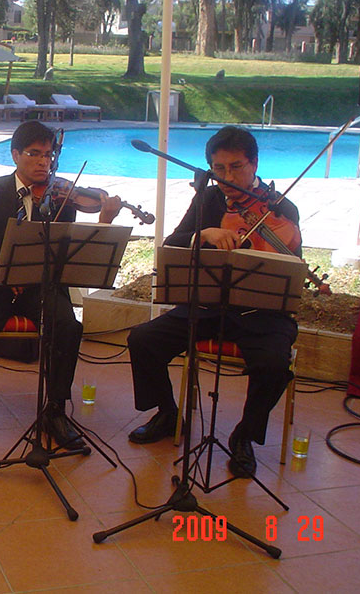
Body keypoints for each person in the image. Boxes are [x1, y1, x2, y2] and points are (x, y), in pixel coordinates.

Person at [127, 126, 301, 478]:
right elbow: (174, 243)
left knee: (273, 364)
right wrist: (202, 234)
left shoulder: (281, 208)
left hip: (262, 313)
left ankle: (244, 436)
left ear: (254, 164)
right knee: (142, 339)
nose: (227, 177)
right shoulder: (208, 199)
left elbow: (289, 268)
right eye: (218, 169)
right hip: (207, 305)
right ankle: (168, 413)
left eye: (236, 167)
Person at [0, 120, 122, 446]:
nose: (44, 162)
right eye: (35, 154)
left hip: (40, 286)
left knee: (67, 326)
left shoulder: (60, 198)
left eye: (49, 155)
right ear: (15, 155)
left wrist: (104, 220)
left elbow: (65, 248)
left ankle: (55, 410)